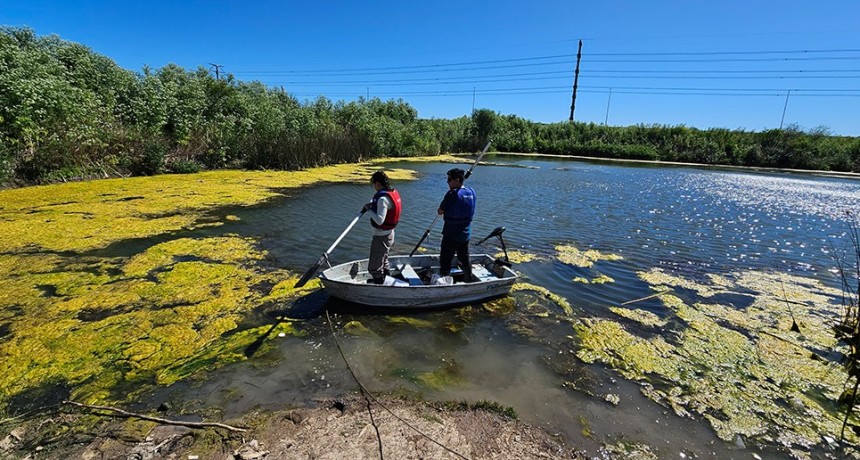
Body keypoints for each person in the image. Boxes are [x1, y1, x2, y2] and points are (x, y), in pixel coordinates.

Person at [437, 167, 476, 282]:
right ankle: (468, 279)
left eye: (449, 179)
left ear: (457, 180)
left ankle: (444, 283)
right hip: (465, 235)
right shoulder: (471, 192)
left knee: (445, 260)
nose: (447, 182)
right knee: (464, 258)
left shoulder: (452, 194)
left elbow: (440, 211)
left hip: (451, 234)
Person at [363, 170, 402, 284]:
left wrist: (369, 209)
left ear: (378, 183)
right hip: (389, 233)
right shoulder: (391, 193)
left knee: (375, 265)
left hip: (382, 236)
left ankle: (379, 283)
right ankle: (387, 279)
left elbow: (380, 220)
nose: (374, 187)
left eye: (373, 184)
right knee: (383, 259)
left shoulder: (383, 199)